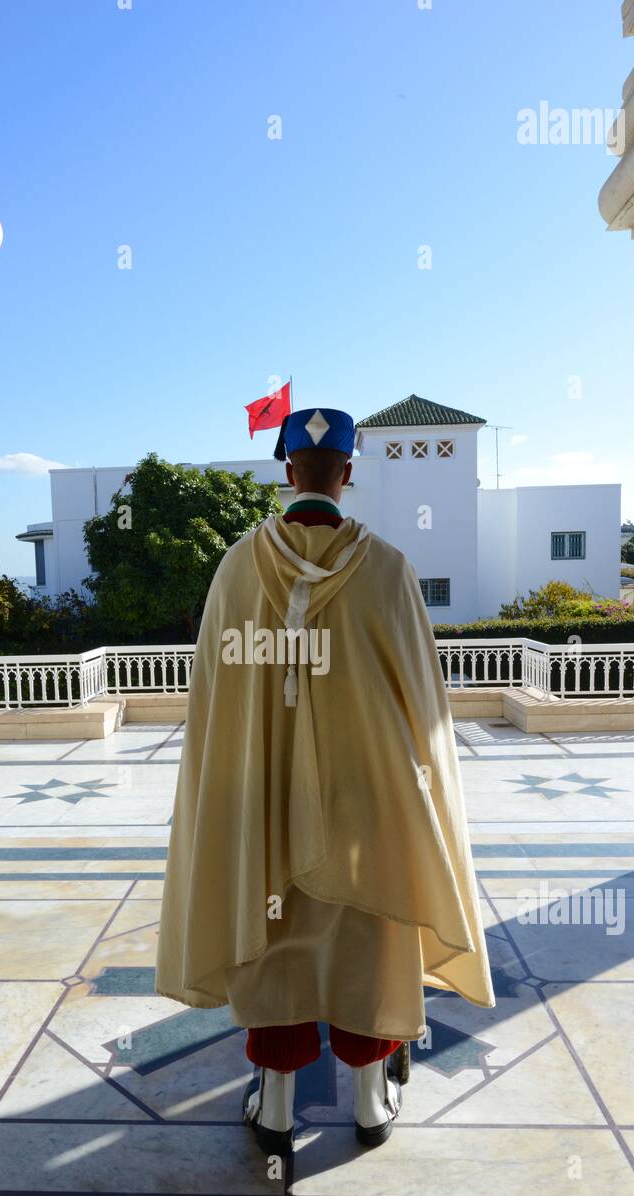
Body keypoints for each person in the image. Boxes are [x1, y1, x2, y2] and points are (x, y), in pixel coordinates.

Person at [156, 406, 495, 1155]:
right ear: (346, 473)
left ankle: (274, 1108)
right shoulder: (389, 569)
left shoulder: (238, 566)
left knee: (271, 936)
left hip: (260, 795)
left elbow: (212, 698)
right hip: (364, 800)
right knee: (366, 937)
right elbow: (422, 702)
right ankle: (372, 1105)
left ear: (287, 472)